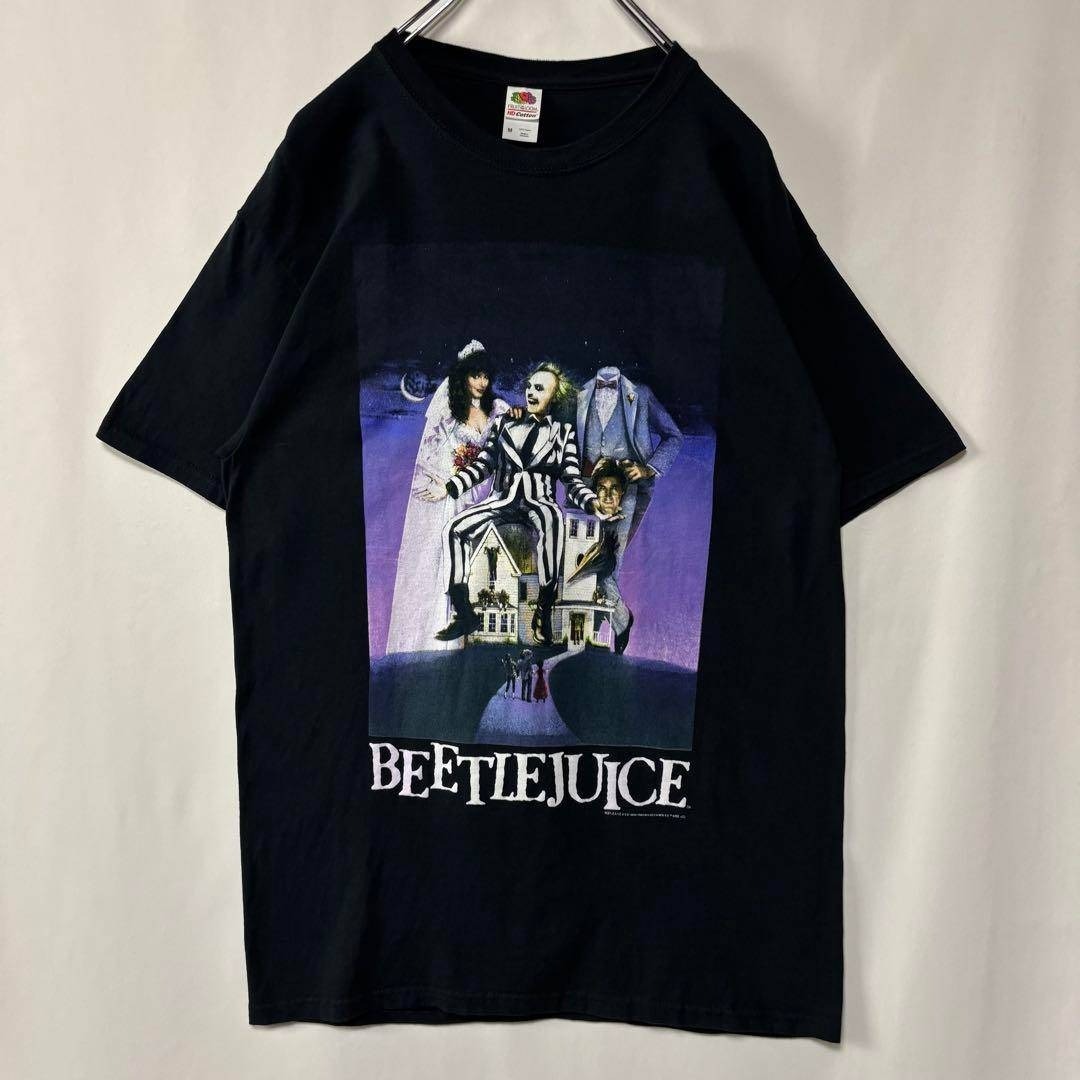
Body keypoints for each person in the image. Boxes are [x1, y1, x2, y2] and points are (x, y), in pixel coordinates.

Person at [434, 362, 618, 645]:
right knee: (454, 528)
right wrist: (449, 487)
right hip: (502, 500)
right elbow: (483, 465)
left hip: (538, 501)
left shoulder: (563, 433)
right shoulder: (504, 423)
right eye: (530, 387)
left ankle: (543, 609)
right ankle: (464, 612)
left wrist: (592, 502)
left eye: (539, 389)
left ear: (554, 397)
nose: (531, 393)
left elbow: (571, 479)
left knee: (553, 520)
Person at [385, 340, 509, 653]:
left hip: (486, 490)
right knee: (447, 557)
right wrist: (448, 478)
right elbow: (430, 456)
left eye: (485, 376)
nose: (481, 382)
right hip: (455, 494)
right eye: (475, 375)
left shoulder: (497, 410)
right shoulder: (448, 411)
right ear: (462, 376)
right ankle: (440, 637)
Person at [575, 365, 682, 652]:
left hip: (624, 493)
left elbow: (674, 435)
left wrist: (648, 469)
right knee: (580, 564)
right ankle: (597, 632)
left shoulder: (641, 395)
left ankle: (620, 621)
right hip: (585, 493)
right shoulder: (580, 394)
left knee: (606, 566)